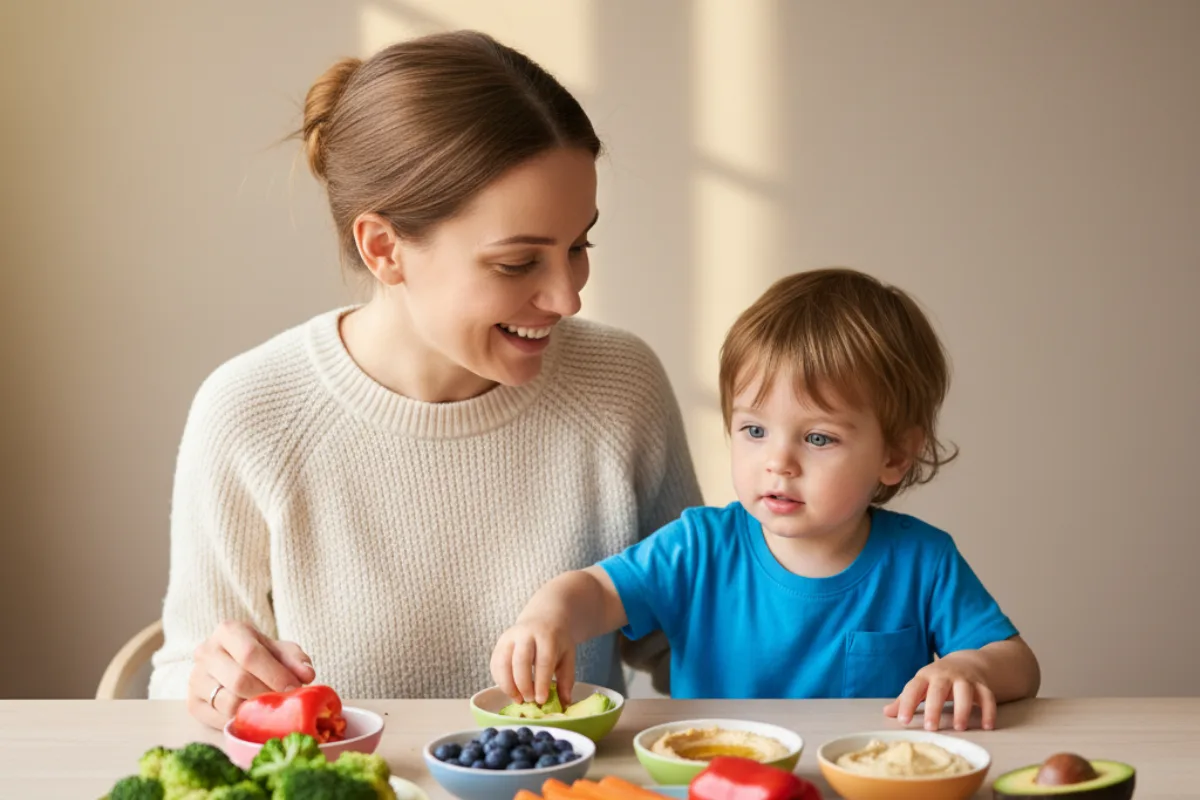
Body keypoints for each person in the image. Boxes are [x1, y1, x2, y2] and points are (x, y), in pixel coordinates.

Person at [148, 30, 703, 729]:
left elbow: (695, 636)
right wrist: (212, 685)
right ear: (383, 249)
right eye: (517, 263)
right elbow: (179, 676)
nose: (568, 298)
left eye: (578, 245)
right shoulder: (250, 413)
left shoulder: (621, 386)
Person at [492, 267, 1041, 731]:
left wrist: (970, 668)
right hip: (712, 778)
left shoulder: (923, 560)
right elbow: (596, 591)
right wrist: (550, 616)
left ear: (895, 455)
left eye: (818, 438)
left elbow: (1017, 663)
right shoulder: (700, 545)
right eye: (754, 431)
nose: (779, 462)